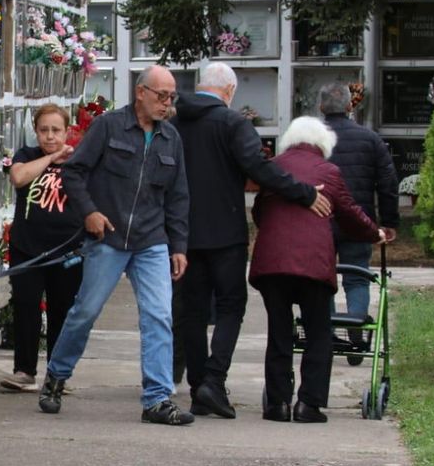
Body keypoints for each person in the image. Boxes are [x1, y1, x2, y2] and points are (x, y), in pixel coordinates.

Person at [170, 63, 333, 419]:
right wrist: (303, 193)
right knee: (231, 306)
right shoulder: (232, 123)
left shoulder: (174, 122)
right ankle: (214, 379)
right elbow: (258, 168)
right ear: (229, 90)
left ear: (201, 86)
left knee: (193, 312)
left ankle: (199, 388)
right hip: (226, 232)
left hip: (182, 232)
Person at [38, 65, 195, 425]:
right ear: (141, 92)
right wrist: (89, 213)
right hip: (107, 237)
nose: (167, 104)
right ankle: (57, 376)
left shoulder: (171, 139)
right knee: (85, 311)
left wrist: (179, 245)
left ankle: (157, 398)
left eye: (172, 97)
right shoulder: (109, 126)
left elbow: (179, 196)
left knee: (159, 314)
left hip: (151, 240)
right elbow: (73, 172)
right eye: (162, 96)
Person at [250, 116, 385, 423]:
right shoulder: (329, 171)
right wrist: (374, 233)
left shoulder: (274, 167)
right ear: (323, 144)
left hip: (272, 265)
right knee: (318, 333)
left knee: (280, 331)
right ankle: (308, 404)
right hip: (313, 265)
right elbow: (350, 214)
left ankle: (277, 403)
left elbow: (259, 211)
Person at [0, 104, 86, 392]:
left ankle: (57, 371)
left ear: (67, 131)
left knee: (63, 309)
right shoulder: (28, 155)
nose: (50, 136)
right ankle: (24, 370)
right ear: (36, 132)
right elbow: (19, 177)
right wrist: (51, 158)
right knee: (26, 306)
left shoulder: (80, 160)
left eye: (56, 130)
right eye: (44, 130)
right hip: (27, 247)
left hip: (67, 250)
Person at [318, 83, 399, 357]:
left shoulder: (312, 139)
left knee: (322, 279)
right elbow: (388, 182)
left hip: (320, 220)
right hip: (358, 220)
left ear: (321, 108)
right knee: (357, 278)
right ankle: (356, 333)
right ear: (350, 106)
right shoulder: (370, 139)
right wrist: (389, 222)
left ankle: (325, 335)